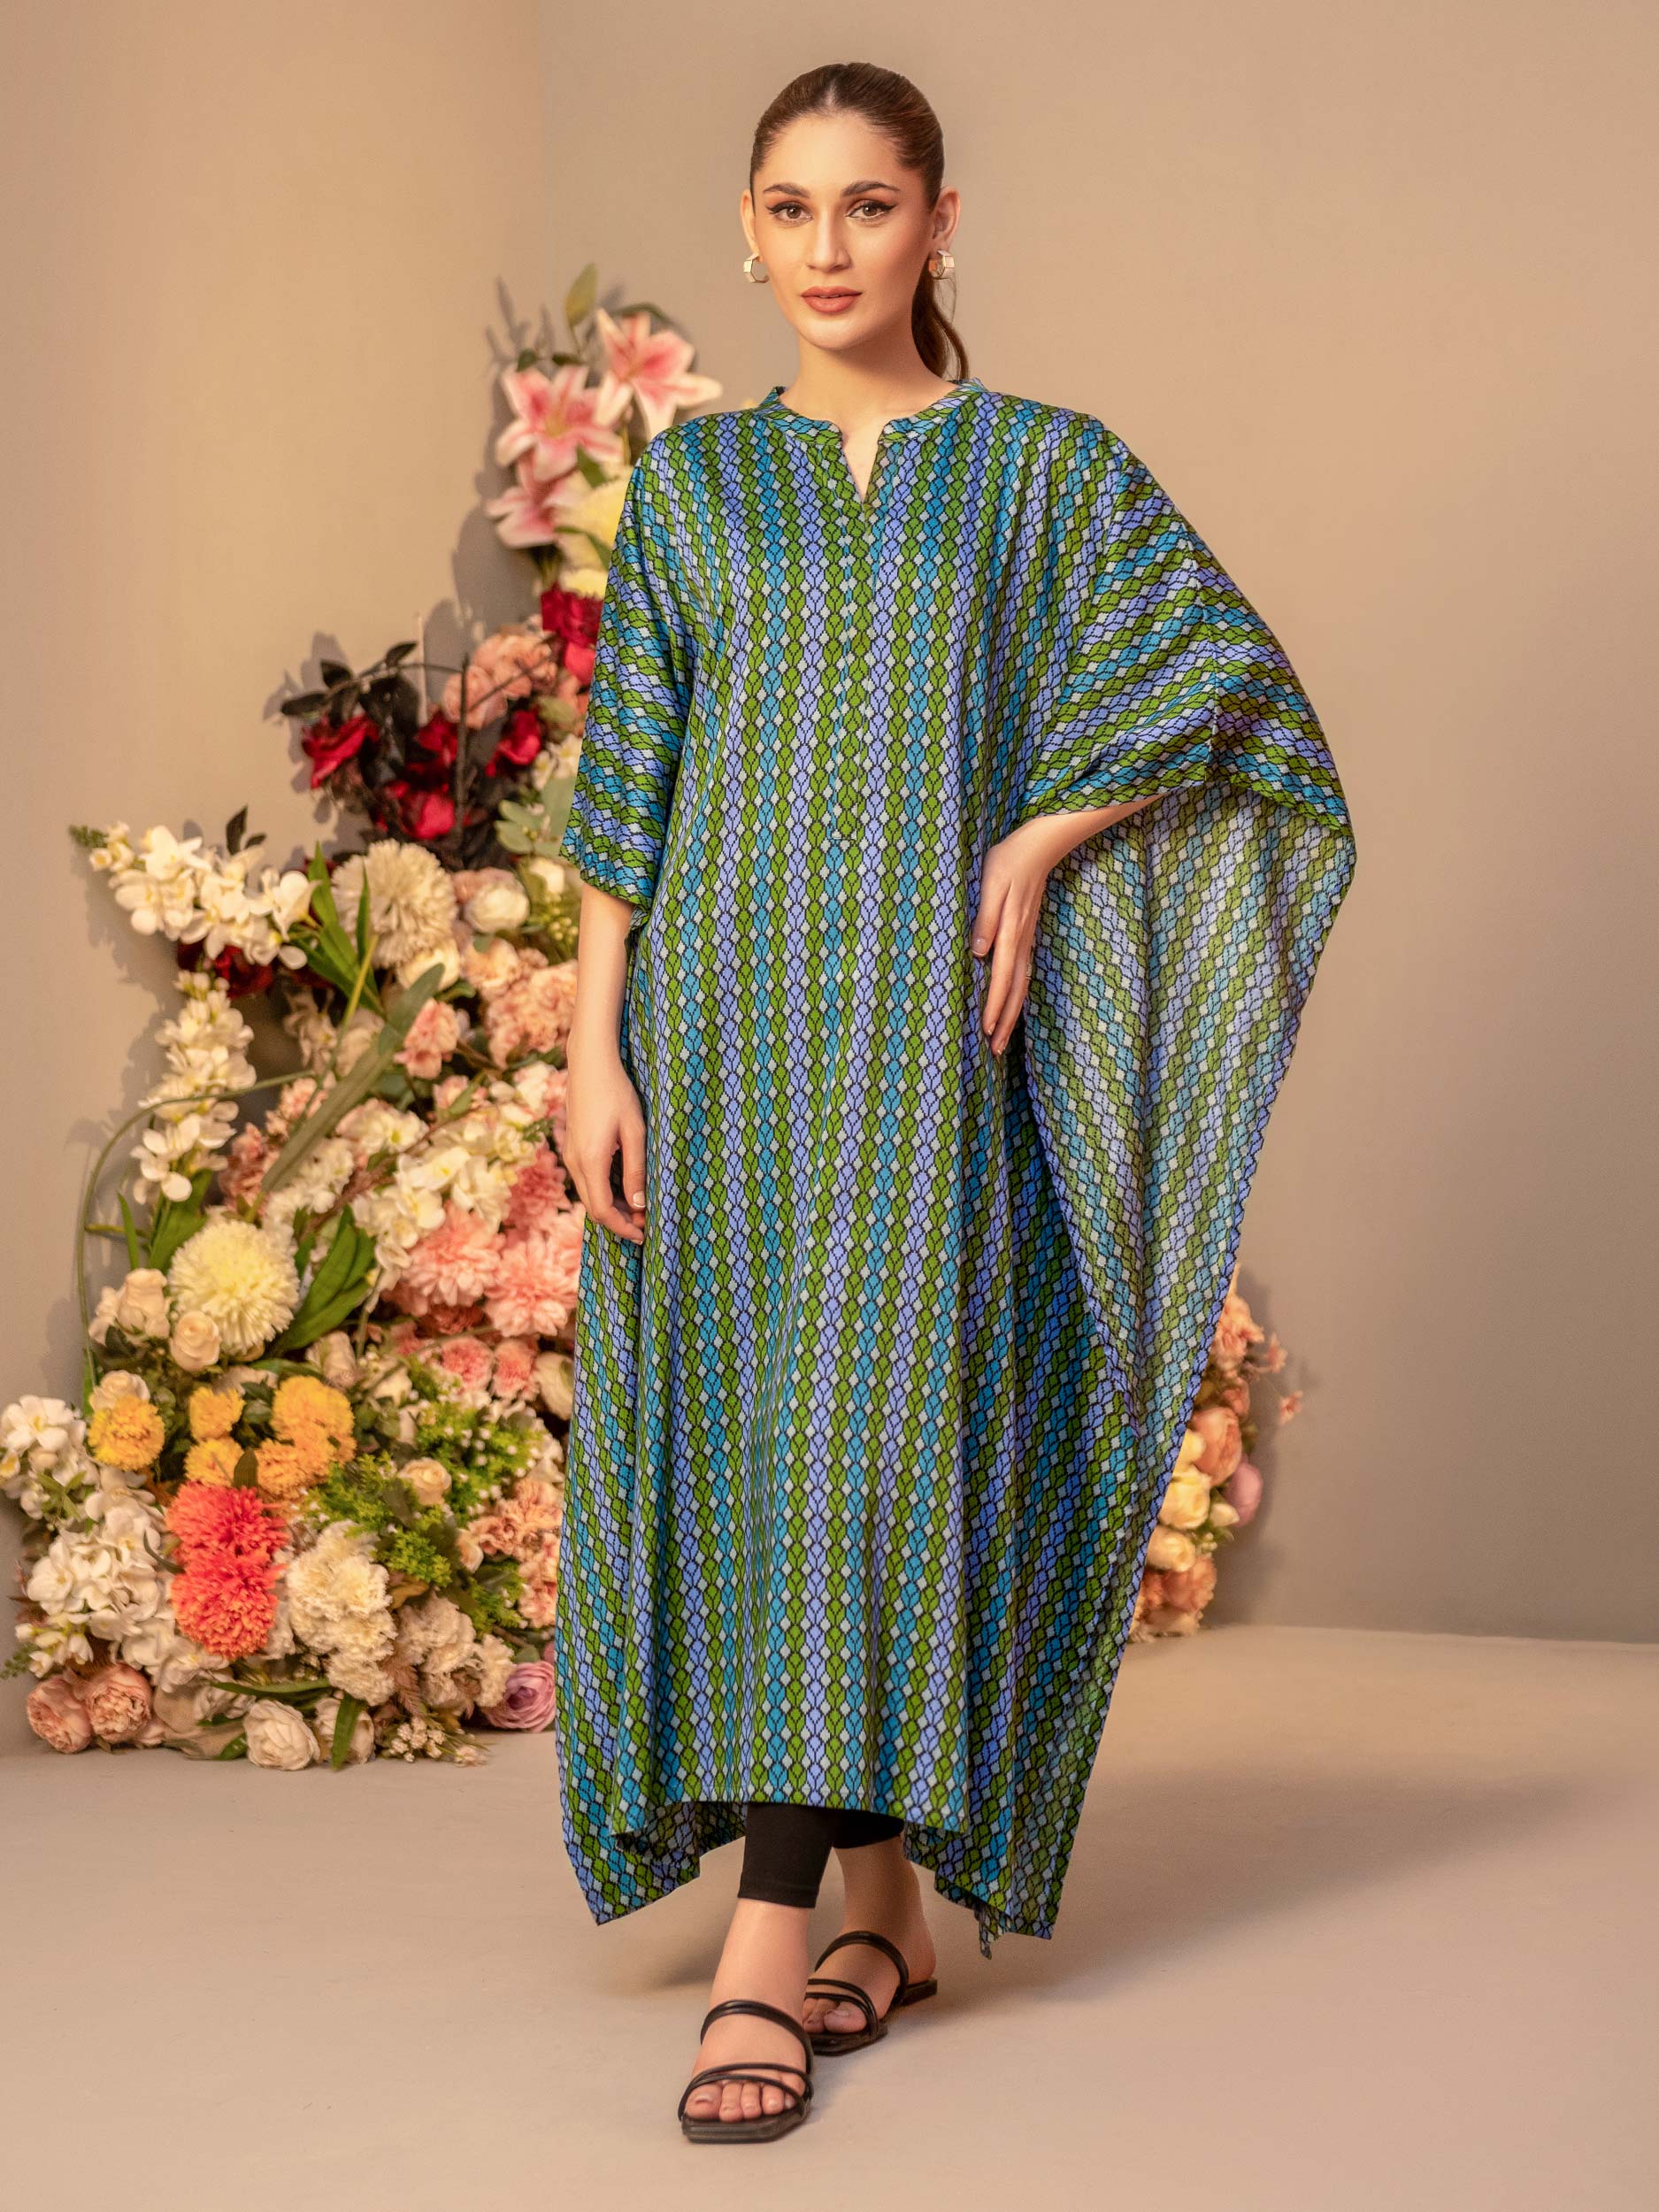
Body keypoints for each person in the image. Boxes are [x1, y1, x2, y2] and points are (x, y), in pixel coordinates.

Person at [553, 61, 1357, 2144]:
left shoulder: (1038, 472)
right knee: (760, 1452)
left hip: (926, 1055)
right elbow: (628, 787)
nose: (827, 248)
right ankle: (881, 1911)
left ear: (939, 223)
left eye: (867, 204)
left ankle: (759, 1945)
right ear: (745, 231)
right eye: (789, 208)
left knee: (869, 1445)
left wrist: (1044, 831)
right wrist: (588, 1044)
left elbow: (1226, 689)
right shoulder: (697, 484)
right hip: (720, 1040)